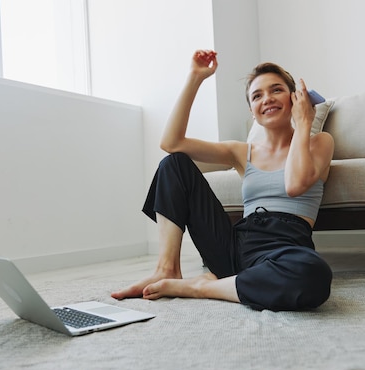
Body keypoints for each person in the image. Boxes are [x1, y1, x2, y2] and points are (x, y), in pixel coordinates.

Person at [111, 49, 334, 311]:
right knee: (174, 164)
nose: (267, 99)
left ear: (294, 98)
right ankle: (167, 269)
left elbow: (295, 185)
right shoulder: (241, 152)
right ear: (252, 111)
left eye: (276, 90)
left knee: (314, 274)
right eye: (257, 96)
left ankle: (202, 287)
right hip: (233, 245)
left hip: (284, 246)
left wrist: (304, 122)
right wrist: (195, 78)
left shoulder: (319, 142)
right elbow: (170, 143)